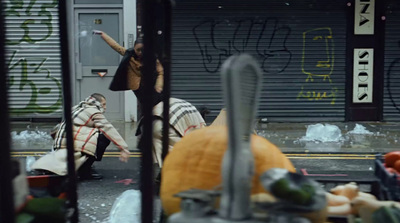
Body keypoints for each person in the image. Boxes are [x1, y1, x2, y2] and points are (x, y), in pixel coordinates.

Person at [31, 93, 130, 180]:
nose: (105, 107)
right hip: (74, 143)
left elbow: (57, 128)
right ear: (97, 103)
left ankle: (66, 167)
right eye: (104, 104)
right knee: (103, 137)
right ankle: (85, 171)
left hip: (61, 142)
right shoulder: (93, 111)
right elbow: (108, 128)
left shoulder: (75, 108)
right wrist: (123, 148)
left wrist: (58, 141)